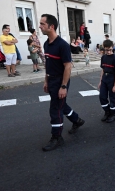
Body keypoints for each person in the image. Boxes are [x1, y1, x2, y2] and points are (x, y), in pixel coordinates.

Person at [39, 14, 85, 151]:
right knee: (61, 105)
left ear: (51, 26)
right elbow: (48, 64)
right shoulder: (47, 44)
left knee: (55, 109)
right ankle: (77, 120)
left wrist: (63, 86)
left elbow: (68, 66)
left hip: (60, 80)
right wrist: (46, 80)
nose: (40, 26)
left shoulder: (63, 45)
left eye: (42, 24)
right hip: (52, 79)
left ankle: (57, 137)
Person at [98, 39, 115, 123]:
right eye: (107, 50)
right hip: (104, 79)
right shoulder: (103, 57)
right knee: (102, 96)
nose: (109, 52)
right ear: (104, 48)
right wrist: (100, 81)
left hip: (112, 78)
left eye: (110, 49)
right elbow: (103, 69)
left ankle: (113, 114)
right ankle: (107, 112)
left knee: (112, 97)